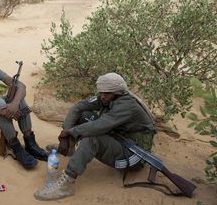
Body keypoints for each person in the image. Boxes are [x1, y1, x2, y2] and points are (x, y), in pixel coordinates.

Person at [34, 72, 155, 201]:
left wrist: (70, 132)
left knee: (92, 138)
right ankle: (70, 148)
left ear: (117, 92)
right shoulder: (109, 97)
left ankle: (66, 185)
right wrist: (66, 136)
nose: (102, 96)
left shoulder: (126, 105)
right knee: (84, 114)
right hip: (120, 139)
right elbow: (77, 108)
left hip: (133, 155)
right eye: (101, 92)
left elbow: (101, 126)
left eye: (106, 93)